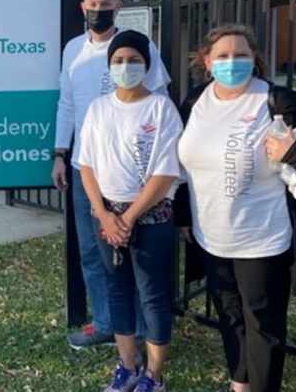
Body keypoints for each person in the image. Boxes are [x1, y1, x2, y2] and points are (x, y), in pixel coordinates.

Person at [176, 24, 296, 392]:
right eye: (223, 56)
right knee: (229, 316)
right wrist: (183, 218)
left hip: (261, 237)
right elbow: (183, 166)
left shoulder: (275, 100)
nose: (232, 62)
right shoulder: (195, 101)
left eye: (241, 55)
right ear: (207, 61)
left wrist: (293, 153)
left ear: (255, 60)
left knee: (262, 324)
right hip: (210, 235)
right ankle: (239, 383)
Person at [53, 0, 171, 349]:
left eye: (105, 3)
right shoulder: (73, 50)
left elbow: (159, 99)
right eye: (92, 3)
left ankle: (139, 329)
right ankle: (106, 323)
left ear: (117, 6)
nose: (98, 9)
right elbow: (67, 104)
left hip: (131, 167)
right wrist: (59, 152)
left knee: (135, 252)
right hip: (85, 166)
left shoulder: (139, 46)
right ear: (82, 7)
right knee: (92, 248)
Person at [78, 30, 182, 392]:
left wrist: (129, 216)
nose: (126, 66)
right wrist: (105, 215)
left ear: (146, 65)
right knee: (117, 288)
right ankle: (126, 366)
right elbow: (86, 164)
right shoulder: (98, 108)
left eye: (134, 60)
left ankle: (153, 375)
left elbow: (166, 170)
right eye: (118, 61)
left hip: (149, 214)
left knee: (152, 293)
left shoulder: (161, 108)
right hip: (106, 215)